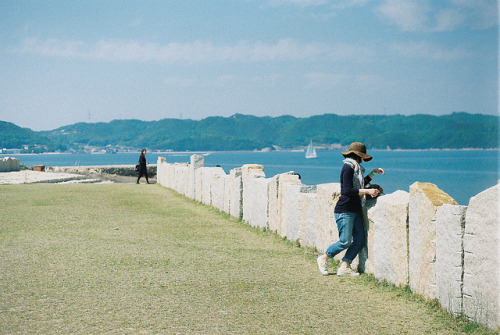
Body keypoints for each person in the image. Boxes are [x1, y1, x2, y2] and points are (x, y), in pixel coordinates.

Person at [317, 142, 384, 276]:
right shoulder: (347, 167)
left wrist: (373, 172)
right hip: (345, 210)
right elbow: (347, 190)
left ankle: (344, 267)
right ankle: (324, 258)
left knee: (359, 240)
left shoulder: (356, 168)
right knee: (344, 241)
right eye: (363, 157)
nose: (364, 160)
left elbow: (360, 184)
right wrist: (367, 192)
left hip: (355, 209)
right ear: (359, 156)